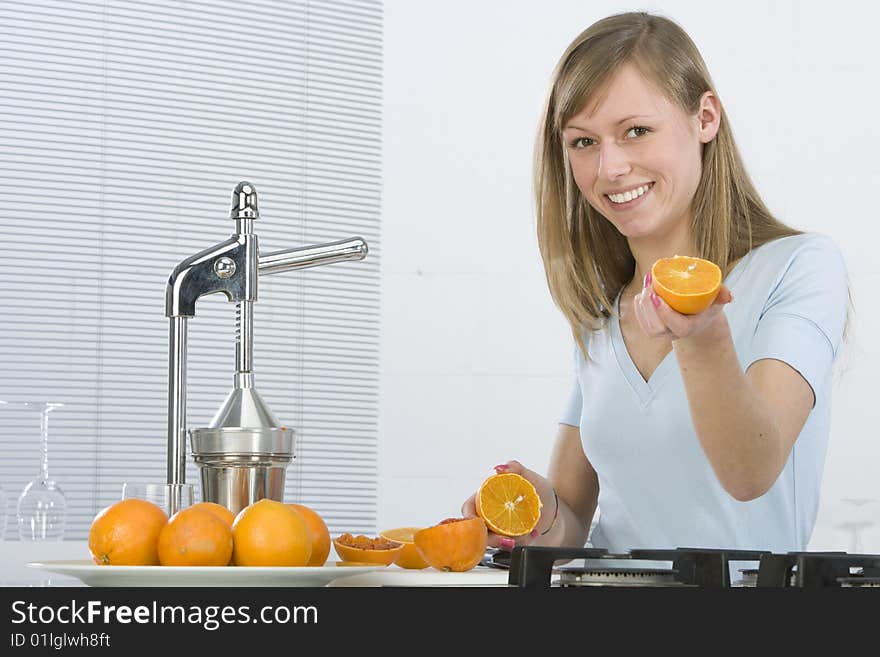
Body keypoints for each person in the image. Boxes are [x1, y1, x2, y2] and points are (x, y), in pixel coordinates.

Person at [461, 11, 850, 555]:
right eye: (583, 142)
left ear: (705, 118)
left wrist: (700, 337)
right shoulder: (600, 314)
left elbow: (749, 472)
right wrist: (540, 513)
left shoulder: (799, 268)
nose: (609, 168)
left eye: (636, 131)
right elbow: (573, 522)